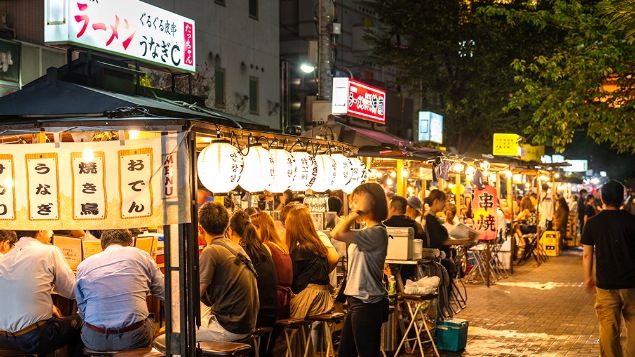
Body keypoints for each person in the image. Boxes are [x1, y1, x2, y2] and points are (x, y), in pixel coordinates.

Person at [155, 202, 259, 351]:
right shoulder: (235, 247)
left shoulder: (211, 251)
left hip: (229, 328)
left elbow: (194, 297)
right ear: (226, 227)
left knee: (162, 341)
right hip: (246, 323)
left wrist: (172, 323)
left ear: (200, 229)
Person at [75, 229, 164, 351]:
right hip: (134, 337)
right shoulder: (141, 255)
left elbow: (82, 308)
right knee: (150, 319)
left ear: (103, 248)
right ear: (130, 244)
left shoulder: (84, 265)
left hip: (96, 339)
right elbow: (164, 291)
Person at [0, 230, 83, 356]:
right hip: (33, 338)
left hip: (3, 338)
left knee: (45, 323)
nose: (50, 234)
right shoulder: (49, 251)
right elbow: (72, 290)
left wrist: (48, 305)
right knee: (83, 322)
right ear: (40, 231)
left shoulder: (6, 256)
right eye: (49, 230)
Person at [331, 182, 389, 357]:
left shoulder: (377, 232)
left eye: (356, 201)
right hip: (358, 300)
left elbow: (337, 233)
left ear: (371, 202)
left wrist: (356, 213)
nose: (353, 205)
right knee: (345, 353)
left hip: (368, 302)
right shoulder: (368, 230)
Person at [582, 180, 635, 357]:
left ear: (602, 198)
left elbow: (587, 255)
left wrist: (588, 277)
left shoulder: (592, 223)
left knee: (608, 329)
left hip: (605, 284)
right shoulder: (632, 221)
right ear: (622, 198)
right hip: (632, 284)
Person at [251, 211, 293, 356]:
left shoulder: (266, 247)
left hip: (275, 300)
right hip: (285, 301)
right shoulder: (281, 246)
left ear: (262, 228)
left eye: (254, 228)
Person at [227, 211, 278, 330]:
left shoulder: (241, 253)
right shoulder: (263, 248)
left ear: (230, 231)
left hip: (256, 317)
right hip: (271, 314)